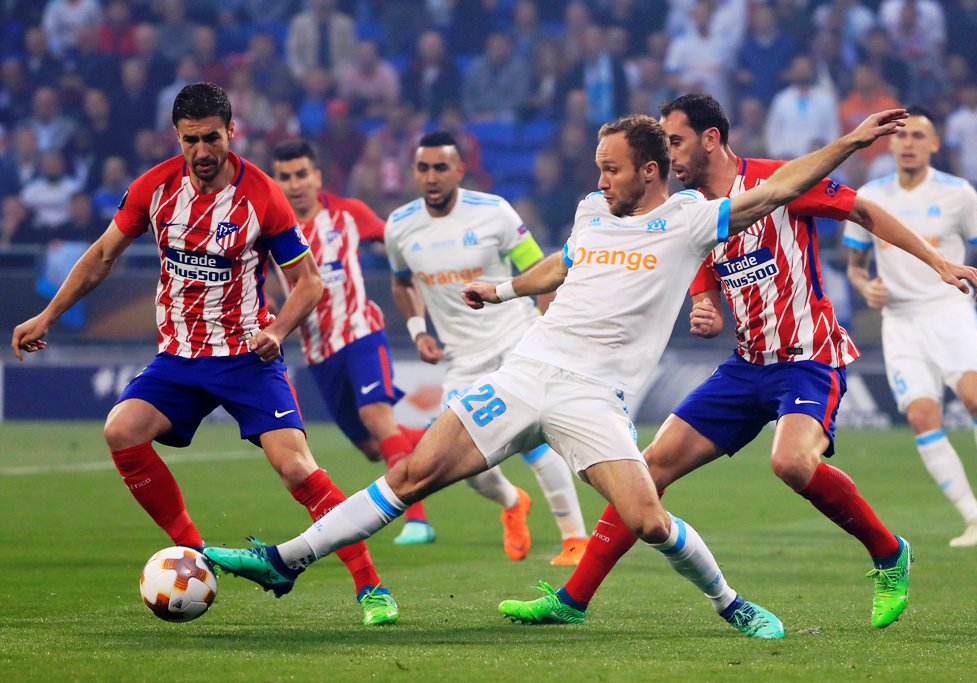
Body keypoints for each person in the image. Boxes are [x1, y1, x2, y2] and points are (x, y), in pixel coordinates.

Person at [202, 108, 924, 637]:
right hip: (527, 370)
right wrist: (505, 290)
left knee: (648, 519)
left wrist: (850, 142)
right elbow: (566, 263)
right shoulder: (589, 210)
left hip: (594, 398)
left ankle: (729, 602)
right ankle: (286, 559)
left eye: (612, 169)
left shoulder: (689, 220)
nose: (599, 180)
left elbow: (777, 190)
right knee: (411, 473)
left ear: (648, 172)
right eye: (598, 167)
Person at [498, 94, 977, 631]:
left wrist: (939, 262)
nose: (668, 154)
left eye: (676, 141)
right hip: (746, 365)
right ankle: (572, 600)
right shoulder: (689, 209)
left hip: (808, 359)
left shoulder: (776, 181)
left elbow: (863, 210)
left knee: (792, 463)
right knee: (648, 469)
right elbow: (702, 268)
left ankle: (889, 552)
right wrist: (706, 302)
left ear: (710, 138)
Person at [10, 83, 398, 627]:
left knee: (296, 468)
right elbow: (101, 256)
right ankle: (195, 554)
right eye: (191, 140)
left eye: (212, 137)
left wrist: (278, 329)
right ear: (177, 136)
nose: (202, 150)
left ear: (231, 131)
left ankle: (370, 586)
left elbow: (309, 282)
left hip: (246, 357)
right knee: (122, 430)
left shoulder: (262, 195)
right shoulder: (153, 188)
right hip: (179, 358)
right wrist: (48, 315)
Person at [384, 131, 589, 564]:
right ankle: (513, 502)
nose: (432, 177)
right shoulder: (399, 227)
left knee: (535, 441)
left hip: (517, 340)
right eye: (423, 168)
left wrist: (550, 330)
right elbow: (402, 283)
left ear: (459, 171)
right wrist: (419, 330)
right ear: (414, 173)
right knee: (457, 461)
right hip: (463, 361)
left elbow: (542, 270)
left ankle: (575, 539)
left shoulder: (494, 212)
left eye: (441, 167)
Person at [845, 107, 977, 547]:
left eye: (919, 136)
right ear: (890, 143)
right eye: (902, 136)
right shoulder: (870, 196)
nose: (909, 143)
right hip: (900, 322)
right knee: (922, 416)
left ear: (935, 144)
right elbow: (855, 266)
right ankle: (974, 521)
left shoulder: (957, 193)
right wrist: (866, 287)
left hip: (950, 311)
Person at [270, 138, 435, 545]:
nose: (295, 184)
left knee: (377, 417)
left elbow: (394, 240)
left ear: (317, 176)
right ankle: (443, 435)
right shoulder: (271, 229)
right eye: (285, 177)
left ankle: (418, 521)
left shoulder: (349, 213)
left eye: (302, 174)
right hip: (318, 353)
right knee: (372, 446)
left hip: (362, 333)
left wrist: (426, 262)